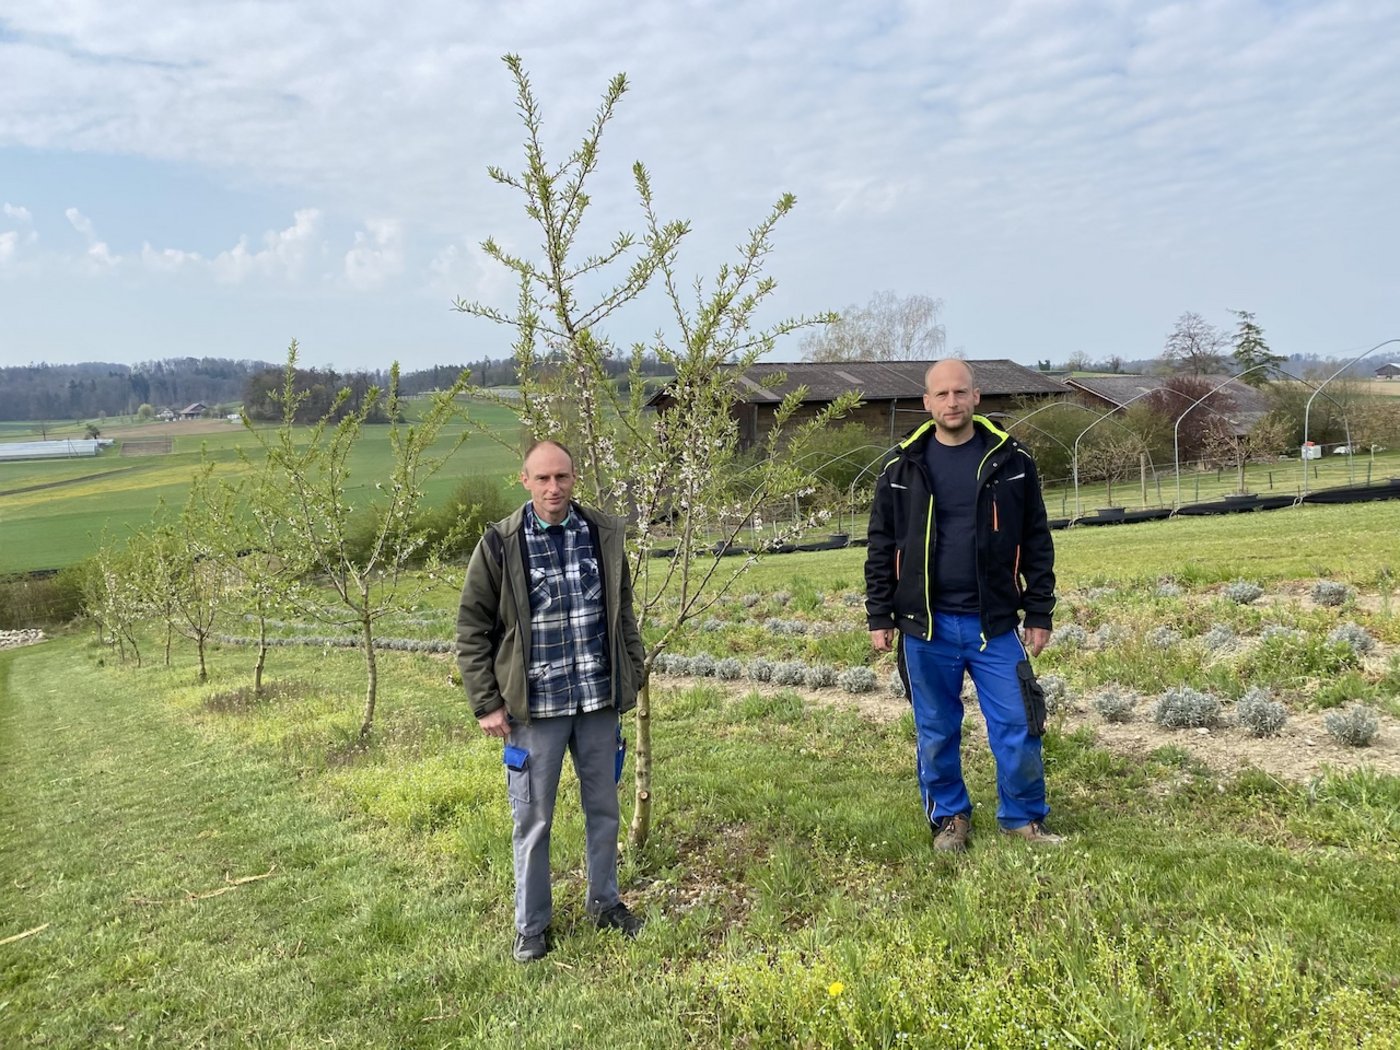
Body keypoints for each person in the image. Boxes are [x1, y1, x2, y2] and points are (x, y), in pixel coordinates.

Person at [456, 439, 647, 962]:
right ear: (524, 480)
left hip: (595, 700)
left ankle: (605, 903)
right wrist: (486, 703)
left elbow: (622, 613)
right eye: (542, 479)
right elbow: (471, 629)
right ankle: (532, 926)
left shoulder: (603, 535)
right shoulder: (499, 544)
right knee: (533, 819)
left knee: (603, 809)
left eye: (561, 477)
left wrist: (634, 671)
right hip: (532, 709)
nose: (553, 488)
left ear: (574, 477)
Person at [864, 359, 1062, 851]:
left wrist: (1038, 611)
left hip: (993, 625)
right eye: (941, 395)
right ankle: (949, 818)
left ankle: (1021, 818)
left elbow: (1036, 540)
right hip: (924, 628)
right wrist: (879, 613)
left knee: (1018, 724)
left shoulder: (1012, 461)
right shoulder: (900, 467)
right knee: (935, 731)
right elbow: (880, 544)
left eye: (960, 392)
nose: (951, 402)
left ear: (977, 397)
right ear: (926, 403)